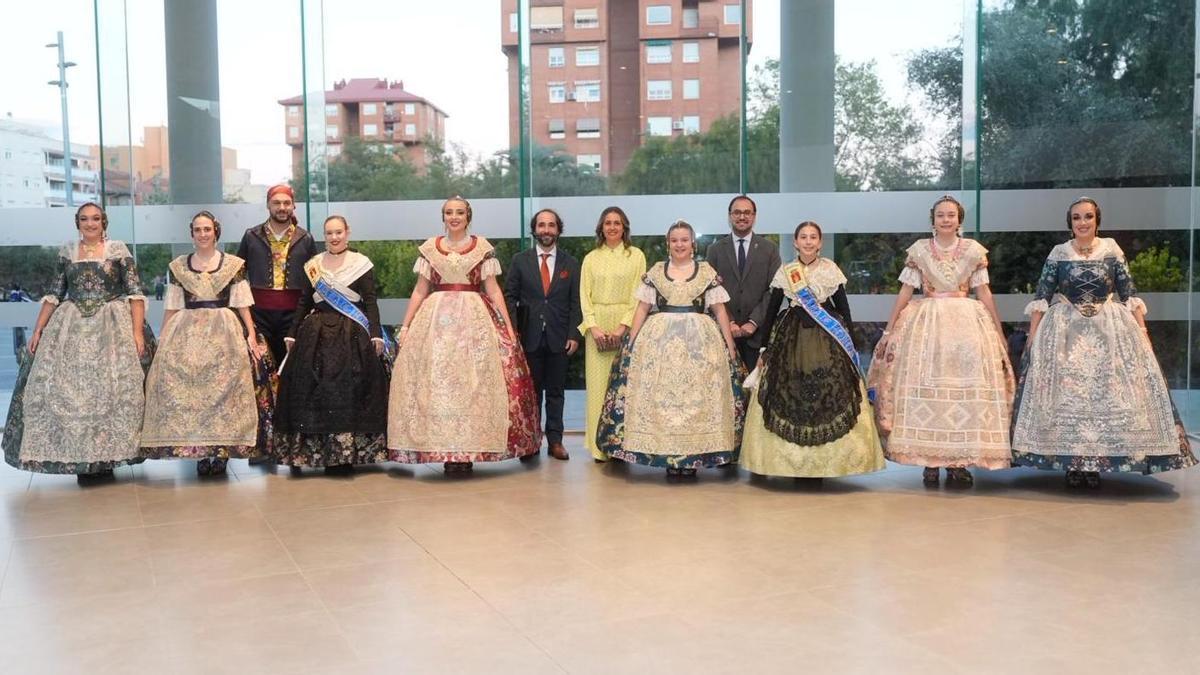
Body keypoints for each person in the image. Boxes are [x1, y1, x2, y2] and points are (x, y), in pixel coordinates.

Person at [1011, 197, 1196, 487]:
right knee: (1068, 395)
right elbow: (1042, 295)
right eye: (1076, 218)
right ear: (1069, 222)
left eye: (1088, 217)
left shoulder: (1111, 249)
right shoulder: (1059, 252)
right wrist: (1033, 337)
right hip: (1065, 331)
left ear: (1097, 220)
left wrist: (1143, 332)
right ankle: (1072, 463)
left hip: (1109, 330)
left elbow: (1128, 291)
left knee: (1107, 392)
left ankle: (1098, 463)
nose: (1082, 222)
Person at [2, 202, 155, 483]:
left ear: (104, 222)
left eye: (95, 218)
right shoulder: (67, 252)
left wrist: (136, 333)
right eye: (84, 219)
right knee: (66, 392)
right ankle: (80, 460)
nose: (90, 223)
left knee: (112, 393)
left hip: (112, 327)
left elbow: (135, 293)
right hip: (71, 325)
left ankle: (105, 458)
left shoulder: (118, 250)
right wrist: (38, 329)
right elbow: (54, 292)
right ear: (77, 222)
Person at [866, 195, 1014, 487]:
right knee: (921, 387)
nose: (946, 219)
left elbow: (983, 292)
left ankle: (958, 463)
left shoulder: (973, 251)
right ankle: (928, 460)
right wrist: (888, 329)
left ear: (959, 220)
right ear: (932, 220)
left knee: (963, 391)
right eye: (940, 215)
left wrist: (998, 331)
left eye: (951, 215)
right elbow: (906, 291)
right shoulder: (920, 250)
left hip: (967, 327)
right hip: (926, 325)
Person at [389, 197, 541, 474]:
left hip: (475, 319)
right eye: (449, 212)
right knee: (439, 383)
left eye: (459, 212)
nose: (454, 217)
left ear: (468, 216)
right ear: (443, 217)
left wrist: (507, 326)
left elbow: (493, 289)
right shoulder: (429, 249)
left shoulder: (482, 248)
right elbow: (421, 290)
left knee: (474, 383)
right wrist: (407, 325)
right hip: (435, 321)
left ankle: (469, 450)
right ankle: (447, 451)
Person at [596, 220, 745, 478]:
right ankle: (668, 458)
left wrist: (729, 345)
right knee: (661, 400)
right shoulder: (655, 271)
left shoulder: (706, 271)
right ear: (668, 244)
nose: (680, 245)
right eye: (674, 240)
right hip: (659, 342)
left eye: (684, 240)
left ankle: (692, 459)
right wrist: (631, 340)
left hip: (700, 342)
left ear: (692, 243)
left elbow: (719, 309)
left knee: (696, 399)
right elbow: (642, 307)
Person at [740, 222, 885, 479]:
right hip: (790, 336)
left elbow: (843, 307)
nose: (808, 241)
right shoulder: (786, 272)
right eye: (803, 237)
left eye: (813, 237)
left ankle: (824, 465)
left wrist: (850, 340)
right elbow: (772, 311)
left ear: (820, 243)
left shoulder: (831, 270)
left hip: (826, 337)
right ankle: (781, 463)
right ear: (795, 242)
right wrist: (765, 347)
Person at [140, 211, 275, 475]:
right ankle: (201, 453)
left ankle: (221, 453)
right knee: (196, 396)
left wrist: (250, 333)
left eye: (207, 229)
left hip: (223, 331)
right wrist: (164, 336)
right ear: (192, 234)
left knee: (223, 392)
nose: (203, 234)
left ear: (216, 232)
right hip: (187, 330)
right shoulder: (178, 266)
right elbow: (173, 304)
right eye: (198, 229)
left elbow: (242, 302)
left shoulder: (233, 264)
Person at [273, 216, 390, 474]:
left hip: (352, 334)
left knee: (350, 389)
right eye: (329, 233)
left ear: (347, 233)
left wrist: (376, 333)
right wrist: (292, 332)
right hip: (315, 334)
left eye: (338, 232)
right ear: (324, 236)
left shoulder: (361, 264)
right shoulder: (314, 266)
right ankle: (315, 452)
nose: (334, 237)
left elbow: (370, 301)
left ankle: (345, 455)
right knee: (312, 389)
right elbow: (304, 301)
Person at [503, 208, 582, 461]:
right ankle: (532, 442)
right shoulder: (520, 260)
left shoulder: (571, 263)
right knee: (532, 393)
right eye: (541, 225)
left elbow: (576, 302)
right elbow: (509, 296)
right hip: (529, 338)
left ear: (558, 230)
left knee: (556, 392)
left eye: (551, 225)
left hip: (560, 338)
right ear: (534, 229)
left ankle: (556, 441)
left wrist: (574, 334)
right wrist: (514, 332)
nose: (546, 230)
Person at [578, 207, 646, 462]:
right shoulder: (590, 258)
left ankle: (621, 445)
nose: (612, 227)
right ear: (601, 227)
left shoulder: (636, 256)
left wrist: (622, 327)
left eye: (617, 223)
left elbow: (638, 295)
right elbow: (584, 296)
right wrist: (593, 327)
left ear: (624, 227)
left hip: (626, 326)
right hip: (596, 326)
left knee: (623, 388)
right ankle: (599, 448)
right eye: (608, 223)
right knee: (597, 388)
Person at [235, 184, 318, 366]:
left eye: (287, 203)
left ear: (293, 205)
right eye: (277, 203)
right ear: (268, 205)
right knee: (260, 365)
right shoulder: (251, 236)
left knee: (290, 367)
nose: (282, 208)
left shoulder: (306, 239)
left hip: (294, 315)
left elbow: (316, 280)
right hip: (258, 314)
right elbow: (237, 276)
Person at [705, 195, 782, 370]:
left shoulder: (769, 249)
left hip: (759, 335)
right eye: (737, 212)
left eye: (747, 212)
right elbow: (710, 289)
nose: (742, 217)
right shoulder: (715, 250)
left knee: (756, 391)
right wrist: (728, 321)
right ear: (729, 215)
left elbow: (774, 290)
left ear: (754, 216)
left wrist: (753, 322)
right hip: (723, 333)